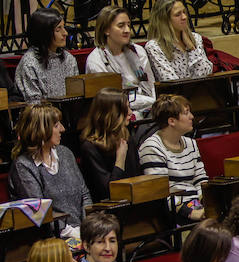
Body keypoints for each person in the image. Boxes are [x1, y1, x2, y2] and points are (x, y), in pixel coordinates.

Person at [9, 102, 92, 236]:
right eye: (56, 125)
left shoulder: (65, 153)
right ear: (41, 130)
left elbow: (85, 195)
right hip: (51, 240)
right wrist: (73, 233)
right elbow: (40, 213)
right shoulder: (23, 166)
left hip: (81, 231)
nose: (63, 129)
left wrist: (87, 227)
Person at [139, 94, 207, 221]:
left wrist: (208, 204)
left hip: (197, 204)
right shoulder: (152, 148)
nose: (192, 116)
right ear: (172, 121)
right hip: (173, 212)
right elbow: (161, 194)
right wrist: (191, 213)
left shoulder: (191, 143)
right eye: (186, 113)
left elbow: (200, 179)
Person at [85, 6, 156, 117]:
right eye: (121, 26)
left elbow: (151, 86)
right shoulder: (96, 60)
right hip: (118, 115)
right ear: (106, 30)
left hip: (148, 108)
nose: (127, 30)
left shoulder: (138, 51)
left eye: (128, 25)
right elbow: (109, 100)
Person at [79, 88, 142, 202]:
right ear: (111, 114)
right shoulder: (89, 148)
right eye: (125, 108)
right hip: (108, 211)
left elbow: (138, 178)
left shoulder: (127, 137)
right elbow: (109, 192)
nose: (130, 112)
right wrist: (120, 158)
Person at [13, 8, 79, 101]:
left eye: (64, 27)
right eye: (58, 29)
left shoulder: (69, 59)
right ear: (44, 33)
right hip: (43, 114)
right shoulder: (29, 63)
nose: (65, 33)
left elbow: (76, 96)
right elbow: (34, 104)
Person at [145, 0, 213, 81]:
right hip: (175, 93)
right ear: (164, 20)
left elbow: (206, 74)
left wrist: (192, 48)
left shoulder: (195, 38)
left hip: (202, 91)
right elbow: (170, 81)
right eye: (178, 14)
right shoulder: (154, 47)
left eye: (184, 12)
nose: (184, 17)